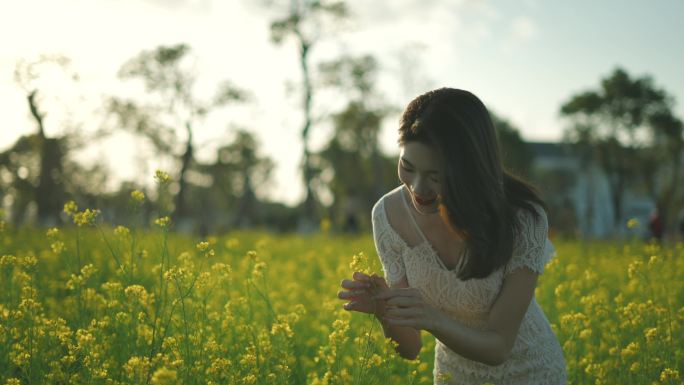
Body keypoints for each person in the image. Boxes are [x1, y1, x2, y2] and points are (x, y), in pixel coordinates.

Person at [338, 88, 567, 384]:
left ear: (470, 168)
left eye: (435, 176)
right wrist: (384, 310)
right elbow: (410, 348)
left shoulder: (523, 217)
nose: (418, 189)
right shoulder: (388, 215)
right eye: (407, 167)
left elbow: (499, 346)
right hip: (453, 376)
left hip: (531, 374)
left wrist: (431, 318)